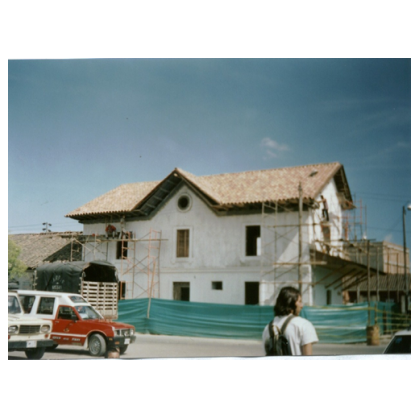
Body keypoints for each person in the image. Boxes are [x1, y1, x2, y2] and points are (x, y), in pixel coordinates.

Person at [262, 287, 318, 355]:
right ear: (291, 303)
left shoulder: (267, 328)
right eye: (299, 301)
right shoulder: (304, 325)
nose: (302, 305)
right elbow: (308, 357)